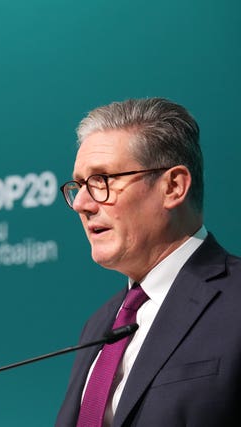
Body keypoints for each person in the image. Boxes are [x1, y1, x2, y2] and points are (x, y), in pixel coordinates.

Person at [55, 98, 241, 426]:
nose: (82, 203)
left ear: (173, 187)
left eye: (102, 181)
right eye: (80, 185)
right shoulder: (99, 325)